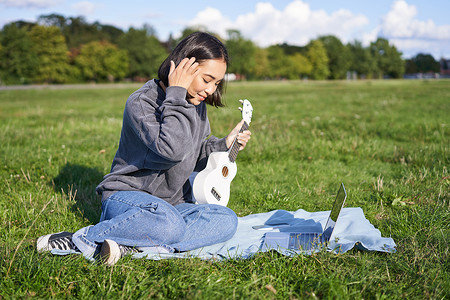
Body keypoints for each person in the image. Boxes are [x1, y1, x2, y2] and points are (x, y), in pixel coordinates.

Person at [36, 32, 252, 266]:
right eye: (207, 79)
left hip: (172, 206)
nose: (210, 90)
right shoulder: (142, 102)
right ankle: (81, 239)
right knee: (169, 224)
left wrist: (223, 145)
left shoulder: (195, 105)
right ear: (183, 67)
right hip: (128, 199)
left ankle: (132, 244)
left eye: (216, 83)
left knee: (226, 219)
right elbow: (172, 150)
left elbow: (191, 155)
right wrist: (176, 94)